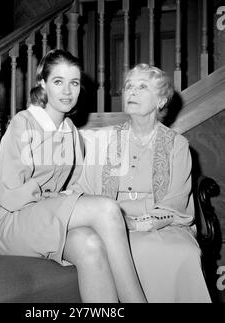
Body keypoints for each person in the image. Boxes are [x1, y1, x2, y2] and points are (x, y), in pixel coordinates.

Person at [0, 49, 147, 303]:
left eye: (74, 83)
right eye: (58, 82)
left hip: (45, 216)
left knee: (89, 244)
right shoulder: (23, 123)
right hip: (11, 219)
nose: (67, 91)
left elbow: (73, 186)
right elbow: (10, 194)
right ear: (43, 84)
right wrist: (56, 199)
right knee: (106, 209)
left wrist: (65, 198)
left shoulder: (70, 131)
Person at [71, 63, 211, 303]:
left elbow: (175, 203)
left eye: (142, 86)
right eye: (128, 86)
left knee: (182, 253)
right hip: (111, 227)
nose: (131, 92)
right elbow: (83, 188)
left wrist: (138, 224)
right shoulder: (103, 139)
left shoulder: (177, 145)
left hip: (162, 227)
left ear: (160, 101)